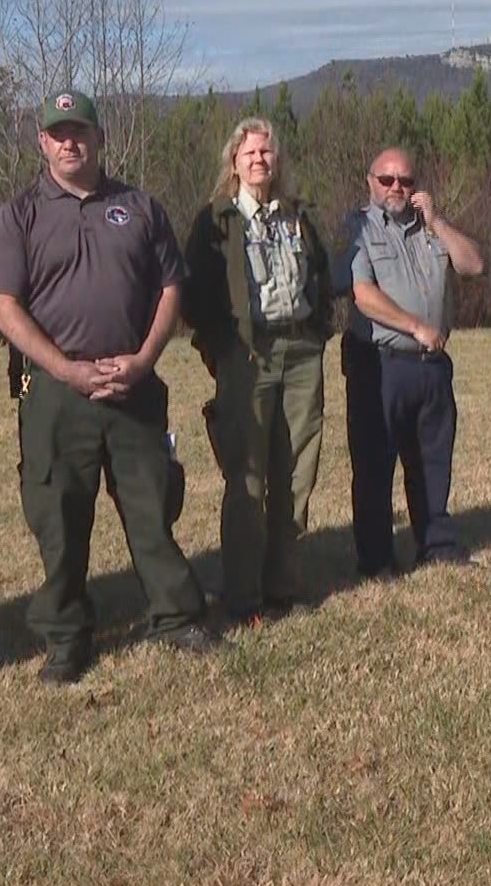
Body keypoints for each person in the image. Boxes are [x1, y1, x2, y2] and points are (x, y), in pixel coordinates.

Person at [0, 88, 224, 684]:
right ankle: (66, 635)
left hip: (132, 383)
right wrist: (63, 368)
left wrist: (143, 358)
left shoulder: (138, 207)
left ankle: (174, 615)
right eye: (58, 133)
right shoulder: (20, 215)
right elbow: (3, 306)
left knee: (151, 504)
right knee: (58, 514)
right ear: (42, 143)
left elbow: (171, 288)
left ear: (98, 137)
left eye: (80, 131)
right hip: (58, 393)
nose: (70, 142)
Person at [182, 117, 332, 625]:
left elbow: (322, 274)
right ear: (234, 161)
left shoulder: (298, 216)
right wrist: (219, 349)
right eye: (249, 153)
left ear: (277, 160)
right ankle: (243, 597)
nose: (259, 161)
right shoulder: (216, 220)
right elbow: (193, 293)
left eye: (266, 153)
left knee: (296, 473)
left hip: (301, 352)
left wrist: (318, 331)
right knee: (247, 476)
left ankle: (283, 587)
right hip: (247, 356)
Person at [334, 147, 487, 578]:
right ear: (370, 182)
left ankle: (437, 543)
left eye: (406, 180)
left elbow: (474, 264)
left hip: (432, 365)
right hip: (380, 363)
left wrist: (436, 221)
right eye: (387, 180)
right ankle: (377, 559)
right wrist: (416, 326)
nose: (397, 188)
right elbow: (362, 294)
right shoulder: (357, 228)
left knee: (433, 460)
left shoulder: (431, 230)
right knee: (374, 465)